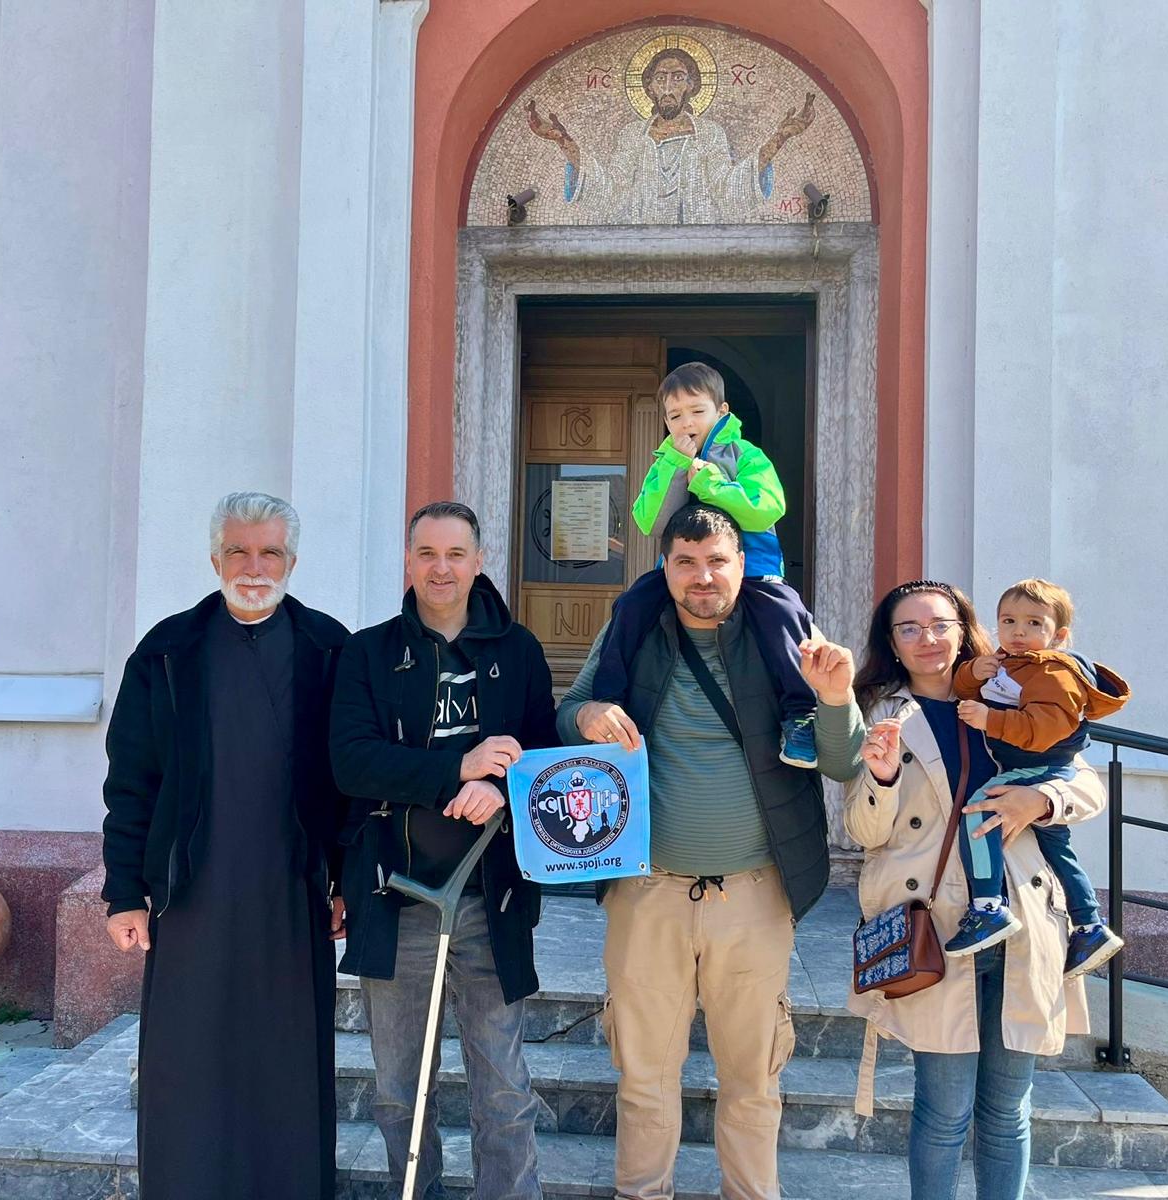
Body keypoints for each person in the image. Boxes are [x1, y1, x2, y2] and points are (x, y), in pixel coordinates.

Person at [557, 503, 865, 1200]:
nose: (703, 577)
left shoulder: (787, 634)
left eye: (716, 562)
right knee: (643, 1079)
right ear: (665, 567)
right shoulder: (632, 627)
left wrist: (837, 698)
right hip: (647, 893)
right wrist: (587, 714)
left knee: (753, 1081)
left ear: (741, 564)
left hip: (754, 896)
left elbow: (843, 763)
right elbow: (568, 709)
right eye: (686, 563)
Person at [101, 492, 349, 1200]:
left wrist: (345, 883)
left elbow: (352, 785)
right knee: (189, 1058)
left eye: (269, 552)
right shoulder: (167, 652)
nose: (253, 566)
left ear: (291, 561)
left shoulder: (330, 649)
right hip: (193, 894)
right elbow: (132, 780)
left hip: (291, 894)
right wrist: (124, 892)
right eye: (238, 551)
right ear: (215, 560)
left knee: (286, 1058)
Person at [844, 580, 1108, 1200]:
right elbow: (863, 831)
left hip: (1024, 918)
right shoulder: (882, 715)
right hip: (937, 928)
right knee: (943, 1111)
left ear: (963, 630)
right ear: (892, 643)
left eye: (940, 625)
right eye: (909, 629)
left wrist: (1041, 800)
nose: (927, 639)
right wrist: (882, 776)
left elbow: (1086, 784)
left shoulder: (1012, 688)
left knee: (1008, 1110)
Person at [330, 500, 557, 1200]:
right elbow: (351, 762)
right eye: (427, 554)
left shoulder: (520, 651)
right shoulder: (368, 653)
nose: (441, 568)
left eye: (456, 554)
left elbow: (545, 759)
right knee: (399, 1093)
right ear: (408, 560)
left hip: (492, 900)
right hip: (394, 898)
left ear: (479, 561)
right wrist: (458, 768)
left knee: (504, 1087)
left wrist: (504, 787)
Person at [588, 360, 824, 769]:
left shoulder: (744, 455)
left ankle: (800, 717)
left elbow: (766, 508)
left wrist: (710, 483)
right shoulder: (665, 461)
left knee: (786, 616)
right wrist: (674, 469)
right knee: (631, 605)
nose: (686, 423)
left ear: (722, 411)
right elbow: (649, 522)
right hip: (681, 573)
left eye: (697, 411)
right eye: (675, 415)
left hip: (755, 570)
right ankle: (609, 699)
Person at [948, 578, 1131, 973]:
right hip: (1030, 766)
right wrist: (972, 673)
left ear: (1058, 635)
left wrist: (990, 720)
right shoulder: (1010, 663)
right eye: (1008, 621)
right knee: (1058, 849)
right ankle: (1089, 925)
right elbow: (972, 689)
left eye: (1034, 623)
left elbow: (1043, 728)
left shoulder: (1053, 673)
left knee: (979, 811)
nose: (1018, 632)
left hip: (1040, 766)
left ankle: (987, 907)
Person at [525, 47, 817, 224]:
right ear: (649, 87)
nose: (667, 88)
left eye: (677, 78)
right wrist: (562, 141)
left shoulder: (709, 133)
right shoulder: (632, 135)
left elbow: (728, 189)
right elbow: (611, 190)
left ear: (691, 85)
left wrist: (780, 138)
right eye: (660, 79)